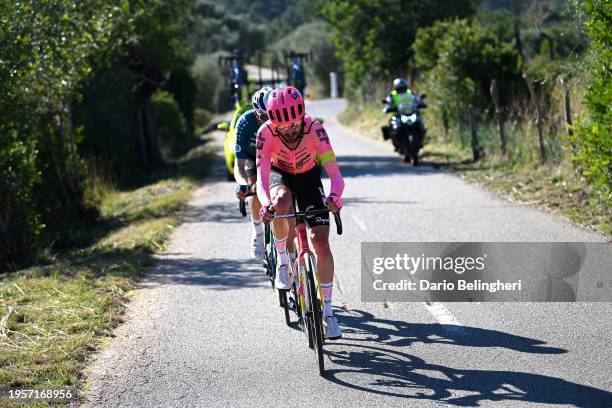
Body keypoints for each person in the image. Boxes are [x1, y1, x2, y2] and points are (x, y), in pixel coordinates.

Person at [256, 86, 345, 339]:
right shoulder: (265, 133)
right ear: (274, 124)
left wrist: (335, 197)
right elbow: (261, 180)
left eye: (295, 125)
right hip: (279, 175)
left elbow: (335, 175)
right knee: (281, 201)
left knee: (321, 243)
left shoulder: (315, 129)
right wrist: (265, 204)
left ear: (302, 117)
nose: (291, 131)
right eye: (284, 128)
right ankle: (283, 261)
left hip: (308, 177)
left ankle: (328, 312)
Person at [234, 86, 278, 259]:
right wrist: (243, 184)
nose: (269, 120)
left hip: (275, 157)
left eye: (272, 115)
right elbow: (239, 165)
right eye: (265, 116)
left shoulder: (281, 119)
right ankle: (258, 231)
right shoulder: (245, 123)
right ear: (256, 113)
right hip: (253, 158)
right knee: (255, 187)